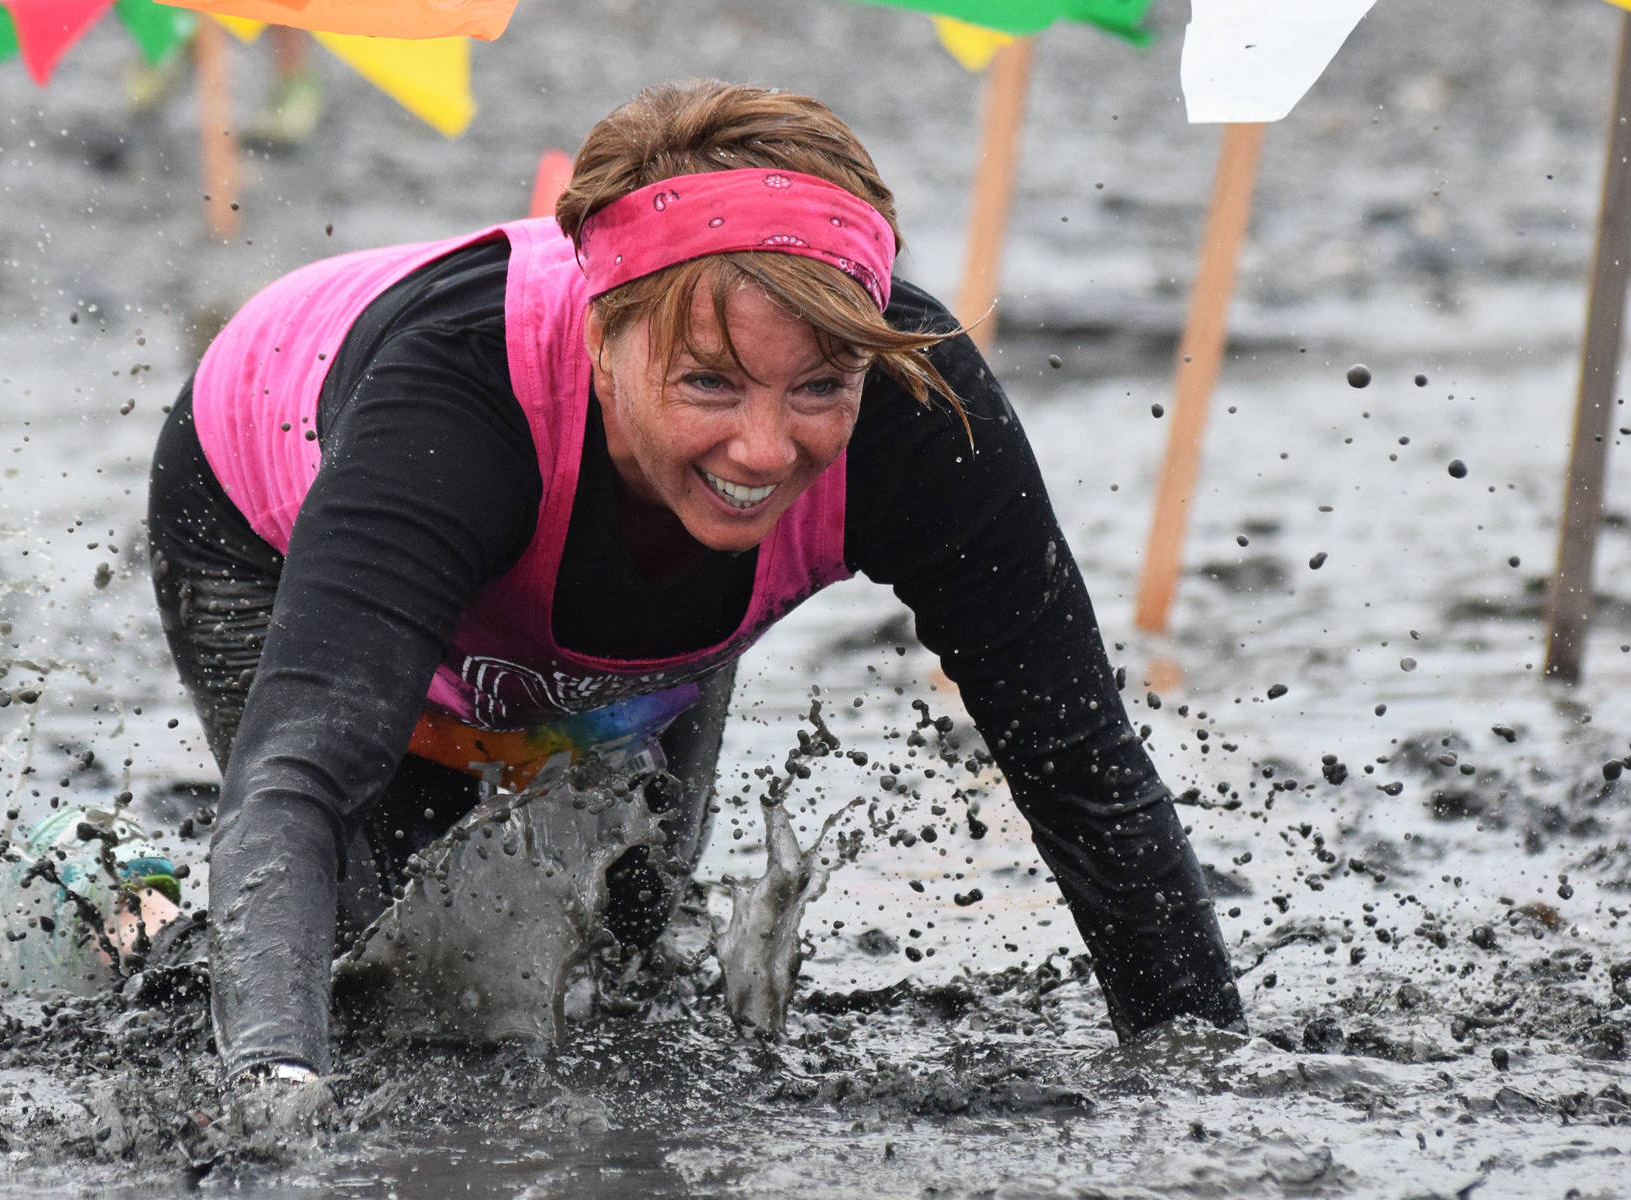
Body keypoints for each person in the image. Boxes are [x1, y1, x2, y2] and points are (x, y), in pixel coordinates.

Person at [144, 80, 1245, 1095]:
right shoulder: (453, 407)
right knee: (379, 978)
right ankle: (127, 918)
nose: (766, 451)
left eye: (818, 386)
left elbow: (1081, 769)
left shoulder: (917, 409)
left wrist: (1207, 1075)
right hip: (260, 507)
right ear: (601, 338)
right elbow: (297, 781)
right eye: (710, 381)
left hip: (641, 584)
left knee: (626, 970)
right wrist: (274, 1106)